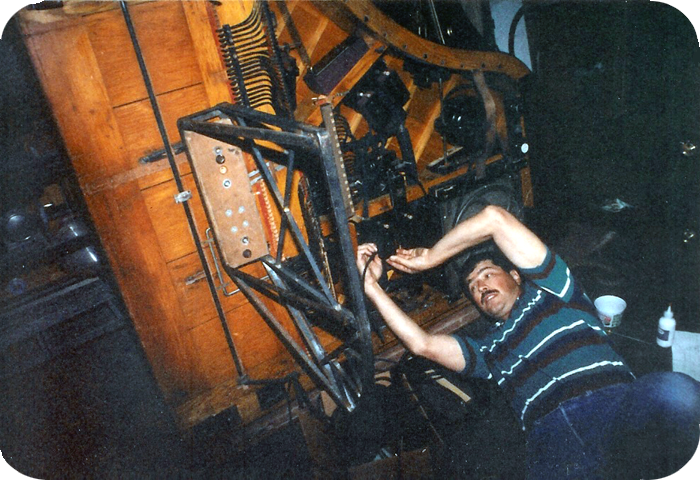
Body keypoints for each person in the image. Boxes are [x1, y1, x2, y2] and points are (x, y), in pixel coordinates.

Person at [356, 204, 700, 479]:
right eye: (473, 286)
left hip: (612, 405)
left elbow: (494, 218)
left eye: (487, 274)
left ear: (516, 275)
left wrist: (431, 257)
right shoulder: (486, 350)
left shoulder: (558, 292)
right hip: (551, 440)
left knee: (677, 394)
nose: (480, 286)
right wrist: (370, 286)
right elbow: (421, 345)